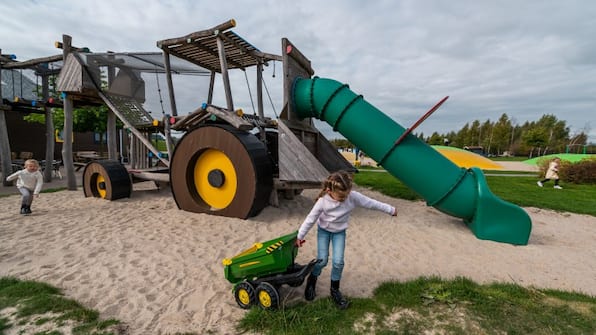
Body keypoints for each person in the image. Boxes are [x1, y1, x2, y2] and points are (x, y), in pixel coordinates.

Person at [295, 170, 397, 309]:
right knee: (322, 260)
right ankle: (312, 280)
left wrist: (390, 209)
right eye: (341, 196)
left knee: (338, 262)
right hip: (324, 232)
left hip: (339, 233)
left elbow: (371, 203)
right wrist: (299, 237)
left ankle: (334, 290)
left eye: (346, 195)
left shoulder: (352, 196)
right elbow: (310, 219)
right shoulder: (322, 201)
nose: (344, 199)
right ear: (330, 191)